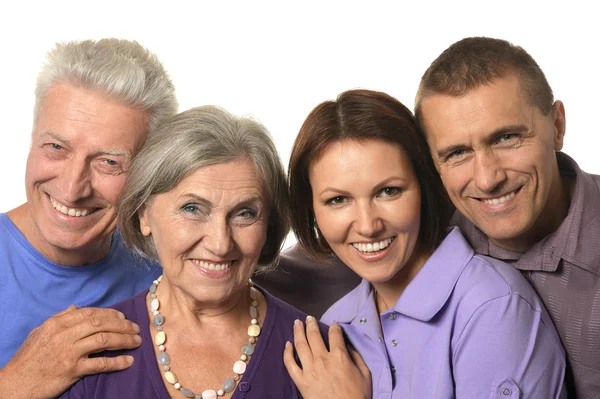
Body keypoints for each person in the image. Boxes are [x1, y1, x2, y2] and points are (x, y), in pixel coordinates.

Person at [282, 89, 566, 398]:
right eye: (337, 200)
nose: (367, 225)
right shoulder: (335, 325)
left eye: (388, 191)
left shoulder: (491, 307)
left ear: (425, 187)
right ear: (311, 210)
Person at [60, 105, 351, 398]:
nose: (220, 244)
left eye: (245, 213)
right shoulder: (90, 351)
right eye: (192, 209)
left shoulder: (324, 357)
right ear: (143, 214)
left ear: (269, 225)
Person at [413, 37, 600, 398]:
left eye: (506, 138)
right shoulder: (424, 241)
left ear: (557, 126)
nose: (487, 179)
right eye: (457, 153)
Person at [0, 38, 178, 398]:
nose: (71, 188)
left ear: (146, 173)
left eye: (109, 162)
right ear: (32, 139)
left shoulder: (170, 267)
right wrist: (17, 383)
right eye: (56, 148)